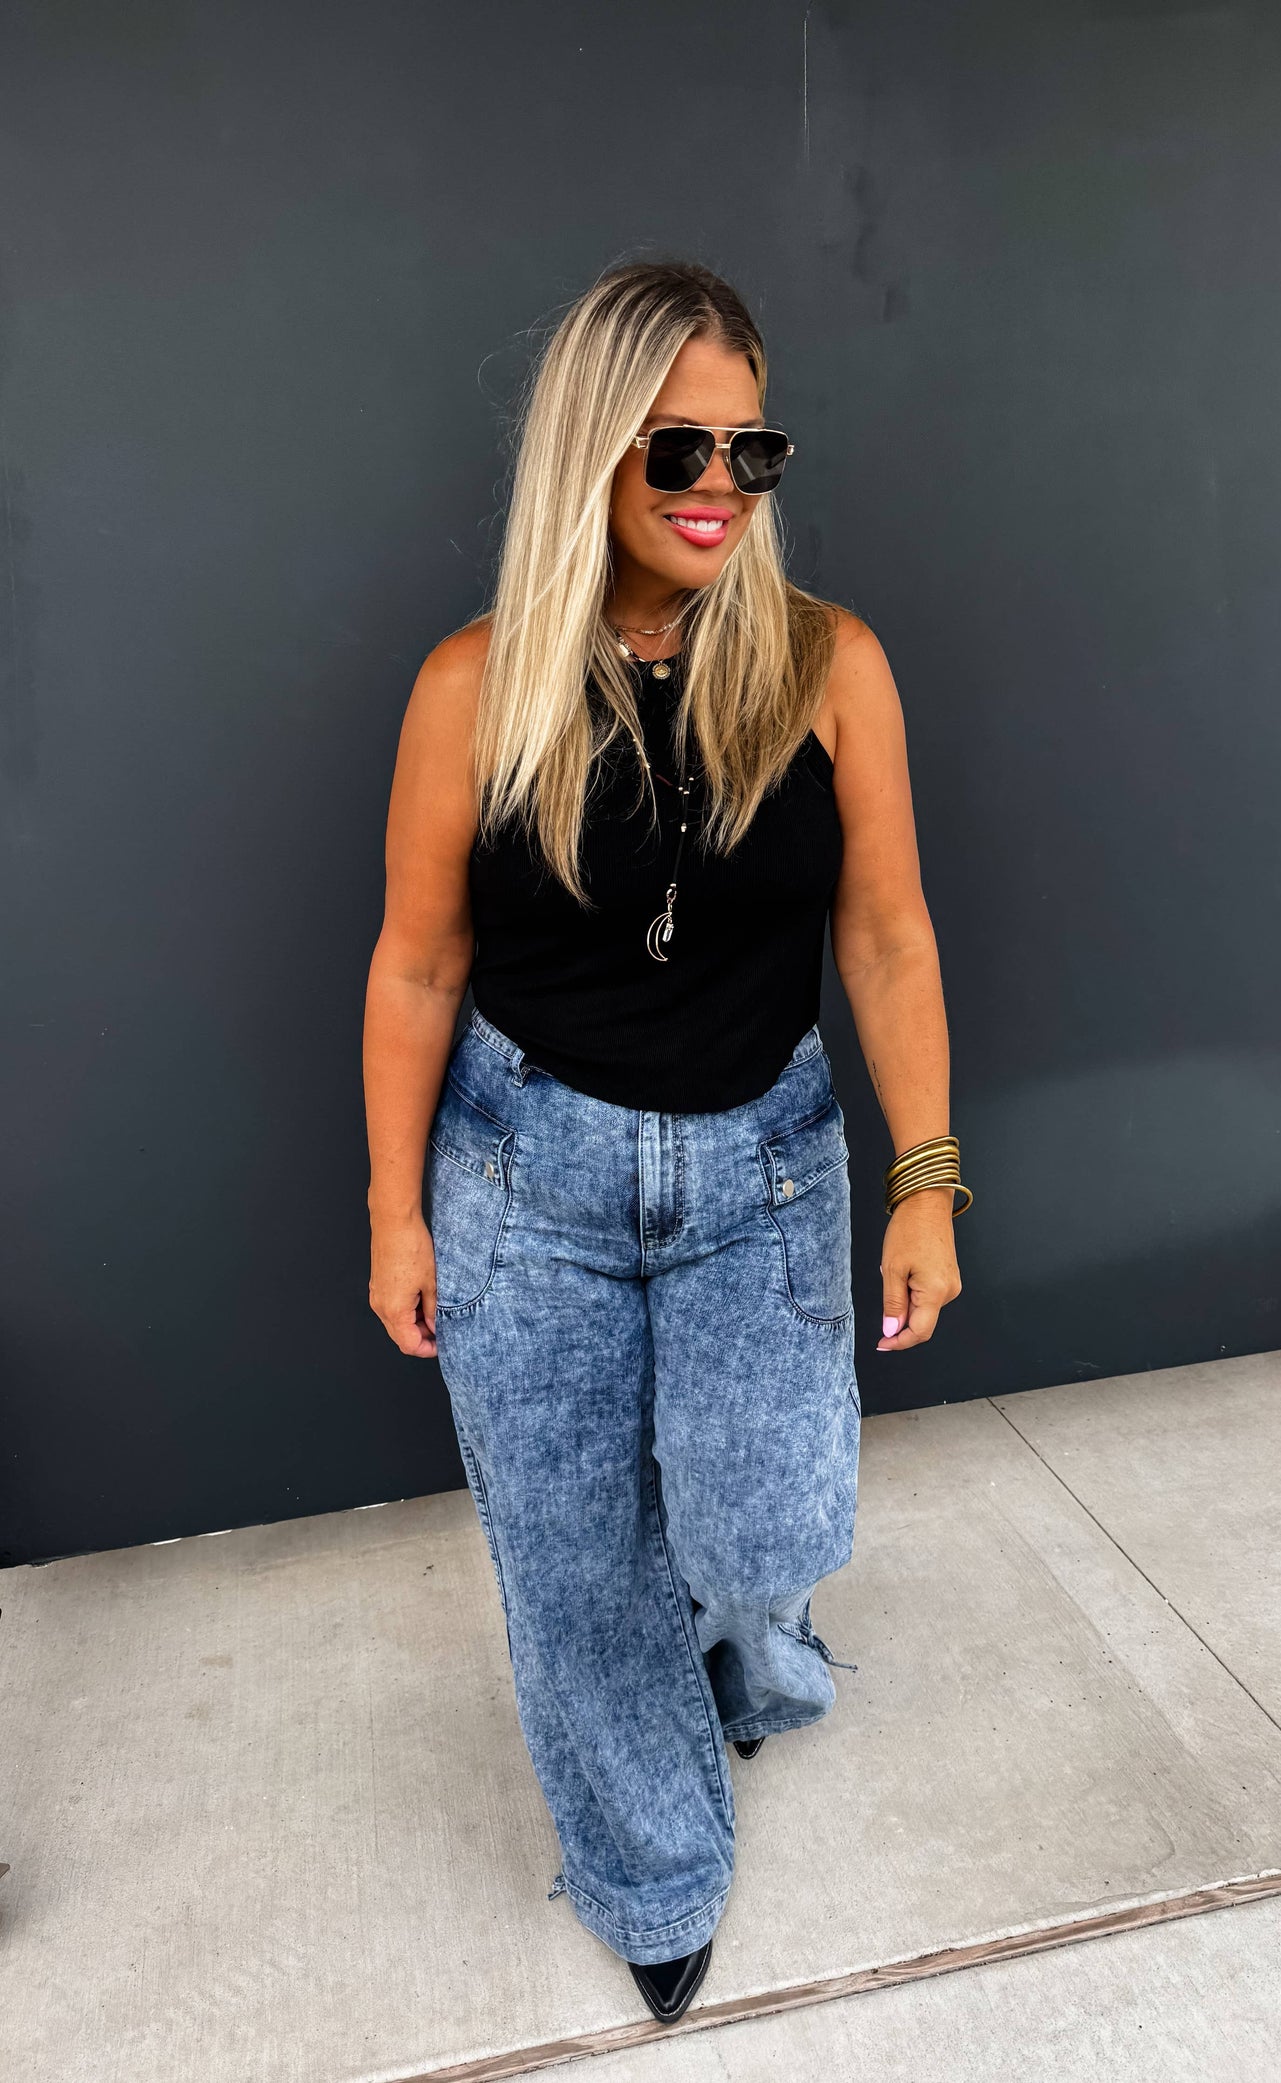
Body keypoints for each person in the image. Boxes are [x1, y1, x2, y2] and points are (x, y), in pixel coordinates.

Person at [362, 260, 966, 2025]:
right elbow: (415, 966)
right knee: (567, 1572)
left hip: (758, 1173)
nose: (717, 481)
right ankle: (650, 1875)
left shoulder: (829, 666)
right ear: (590, 454)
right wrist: (393, 1211)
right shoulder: (472, 689)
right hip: (520, 1180)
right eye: (673, 446)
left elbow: (889, 938)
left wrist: (924, 1179)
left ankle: (744, 1653)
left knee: (762, 1526)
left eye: (747, 445)